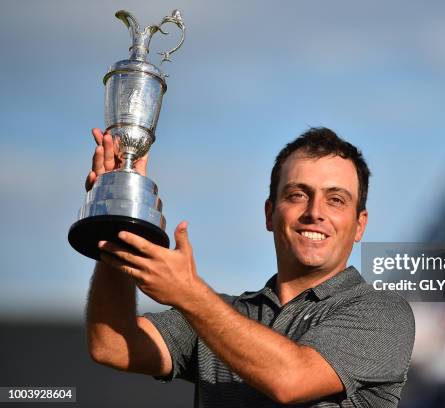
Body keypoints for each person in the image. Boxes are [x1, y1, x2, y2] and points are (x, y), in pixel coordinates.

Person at [86, 126, 415, 407]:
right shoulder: (220, 313)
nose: (315, 212)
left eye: (336, 199)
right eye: (298, 194)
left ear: (360, 225)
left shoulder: (383, 314)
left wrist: (189, 293)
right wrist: (118, 214)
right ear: (270, 214)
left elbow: (290, 378)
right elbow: (111, 344)